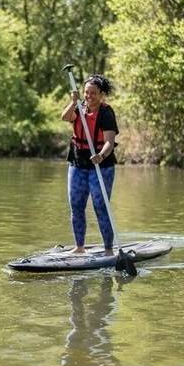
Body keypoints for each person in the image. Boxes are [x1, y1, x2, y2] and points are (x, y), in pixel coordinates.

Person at [60, 74, 119, 255]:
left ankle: (109, 249)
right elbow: (65, 117)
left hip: (101, 165)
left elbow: (109, 142)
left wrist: (100, 155)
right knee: (76, 205)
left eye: (93, 93)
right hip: (78, 163)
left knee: (101, 206)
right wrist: (73, 101)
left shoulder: (106, 113)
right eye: (86, 92)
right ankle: (79, 247)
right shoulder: (79, 107)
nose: (89, 96)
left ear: (101, 94)